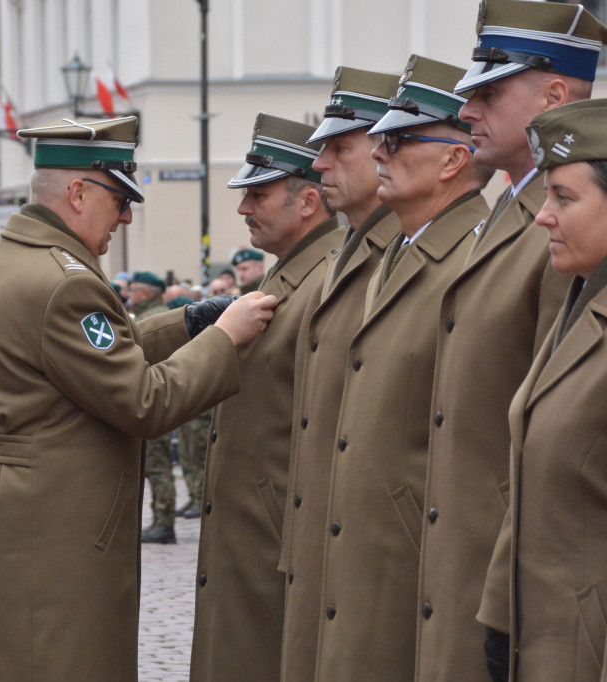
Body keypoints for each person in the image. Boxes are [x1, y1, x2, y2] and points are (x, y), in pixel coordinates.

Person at [0, 116, 277, 682]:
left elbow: (93, 352)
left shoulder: (4, 260)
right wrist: (224, 338)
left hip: (1, 511)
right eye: (120, 199)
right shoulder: (66, 281)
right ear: (79, 191)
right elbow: (143, 401)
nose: (127, 216)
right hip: (44, 531)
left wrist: (188, 321)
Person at [430, 3, 607, 680]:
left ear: (555, 95)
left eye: (488, 93)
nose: (467, 109)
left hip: (548, 595)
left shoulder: (562, 233)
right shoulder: (511, 208)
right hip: (489, 575)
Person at [313, 56, 492, 682]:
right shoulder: (398, 250)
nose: (378, 151)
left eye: (397, 139)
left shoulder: (472, 259)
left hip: (414, 567)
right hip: (361, 560)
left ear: (452, 160)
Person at [189, 113, 341, 681]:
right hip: (254, 539)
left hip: (277, 542)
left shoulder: (326, 278)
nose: (243, 208)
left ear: (306, 203)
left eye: (258, 193)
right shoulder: (284, 277)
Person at [279, 64, 401, 682]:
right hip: (319, 544)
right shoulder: (348, 248)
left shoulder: (395, 252)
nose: (321, 164)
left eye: (338, 148)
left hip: (376, 555)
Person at [479, 98, 607, 682]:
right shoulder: (579, 303)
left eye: (566, 198)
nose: (542, 216)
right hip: (543, 648)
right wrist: (500, 622)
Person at [128, 271, 179, 544]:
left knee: (158, 466)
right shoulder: (154, 313)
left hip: (155, 393)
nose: (129, 295)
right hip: (157, 392)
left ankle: (163, 521)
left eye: (133, 289)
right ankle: (160, 520)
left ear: (146, 293)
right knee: (156, 466)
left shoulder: (153, 317)